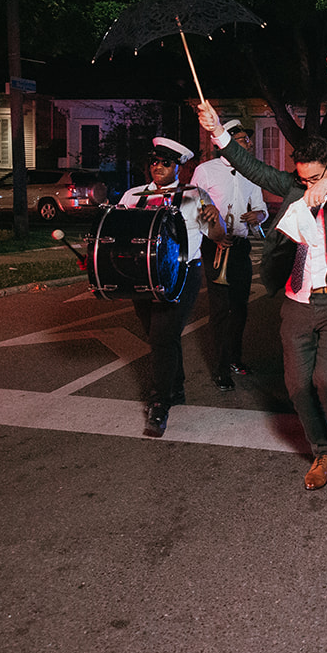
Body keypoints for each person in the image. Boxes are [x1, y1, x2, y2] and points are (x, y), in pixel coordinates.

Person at [196, 102, 327, 496]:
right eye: (302, 177)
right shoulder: (295, 186)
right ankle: (320, 451)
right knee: (297, 385)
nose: (307, 184)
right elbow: (254, 168)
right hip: (298, 301)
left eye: (314, 177)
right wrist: (219, 134)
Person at [118, 136, 223, 438]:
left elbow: (216, 235)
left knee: (162, 335)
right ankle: (175, 387)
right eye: (154, 161)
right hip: (141, 277)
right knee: (156, 333)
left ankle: (159, 401)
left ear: (178, 166)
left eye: (165, 162)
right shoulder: (132, 195)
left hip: (182, 275)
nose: (158, 167)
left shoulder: (195, 194)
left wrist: (215, 219)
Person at [191, 119, 269, 390]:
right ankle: (221, 368)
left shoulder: (251, 172)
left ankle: (235, 357)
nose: (248, 144)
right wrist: (214, 234)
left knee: (240, 308)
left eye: (248, 140)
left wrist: (258, 215)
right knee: (220, 310)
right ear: (226, 142)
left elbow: (260, 207)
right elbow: (195, 208)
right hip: (216, 247)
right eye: (243, 140)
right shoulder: (205, 170)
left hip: (240, 246)